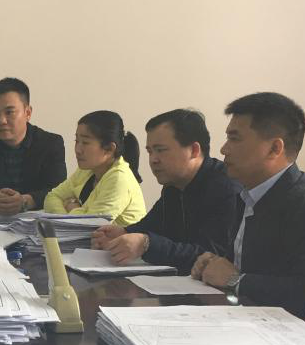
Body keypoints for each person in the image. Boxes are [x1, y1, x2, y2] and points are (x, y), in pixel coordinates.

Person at [191, 92, 305, 318]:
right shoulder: (248, 193)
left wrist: (235, 280)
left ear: (274, 149)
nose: (224, 149)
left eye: (235, 139)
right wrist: (213, 263)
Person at [93, 109, 241, 270]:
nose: (153, 160)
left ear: (194, 150)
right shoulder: (173, 185)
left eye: (161, 150)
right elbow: (151, 225)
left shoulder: (226, 188)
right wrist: (123, 233)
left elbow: (212, 256)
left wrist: (146, 244)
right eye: (150, 151)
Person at [0, 77, 66, 214]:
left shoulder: (50, 143)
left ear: (28, 113)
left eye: (9, 112)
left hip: (36, 221)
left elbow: (58, 190)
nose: (1, 120)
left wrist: (24, 201)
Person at [43, 110, 146, 225]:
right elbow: (51, 198)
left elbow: (89, 226)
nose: (77, 150)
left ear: (109, 149)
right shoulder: (86, 170)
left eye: (85, 143)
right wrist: (72, 215)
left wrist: (71, 207)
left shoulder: (119, 179)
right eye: (77, 141)